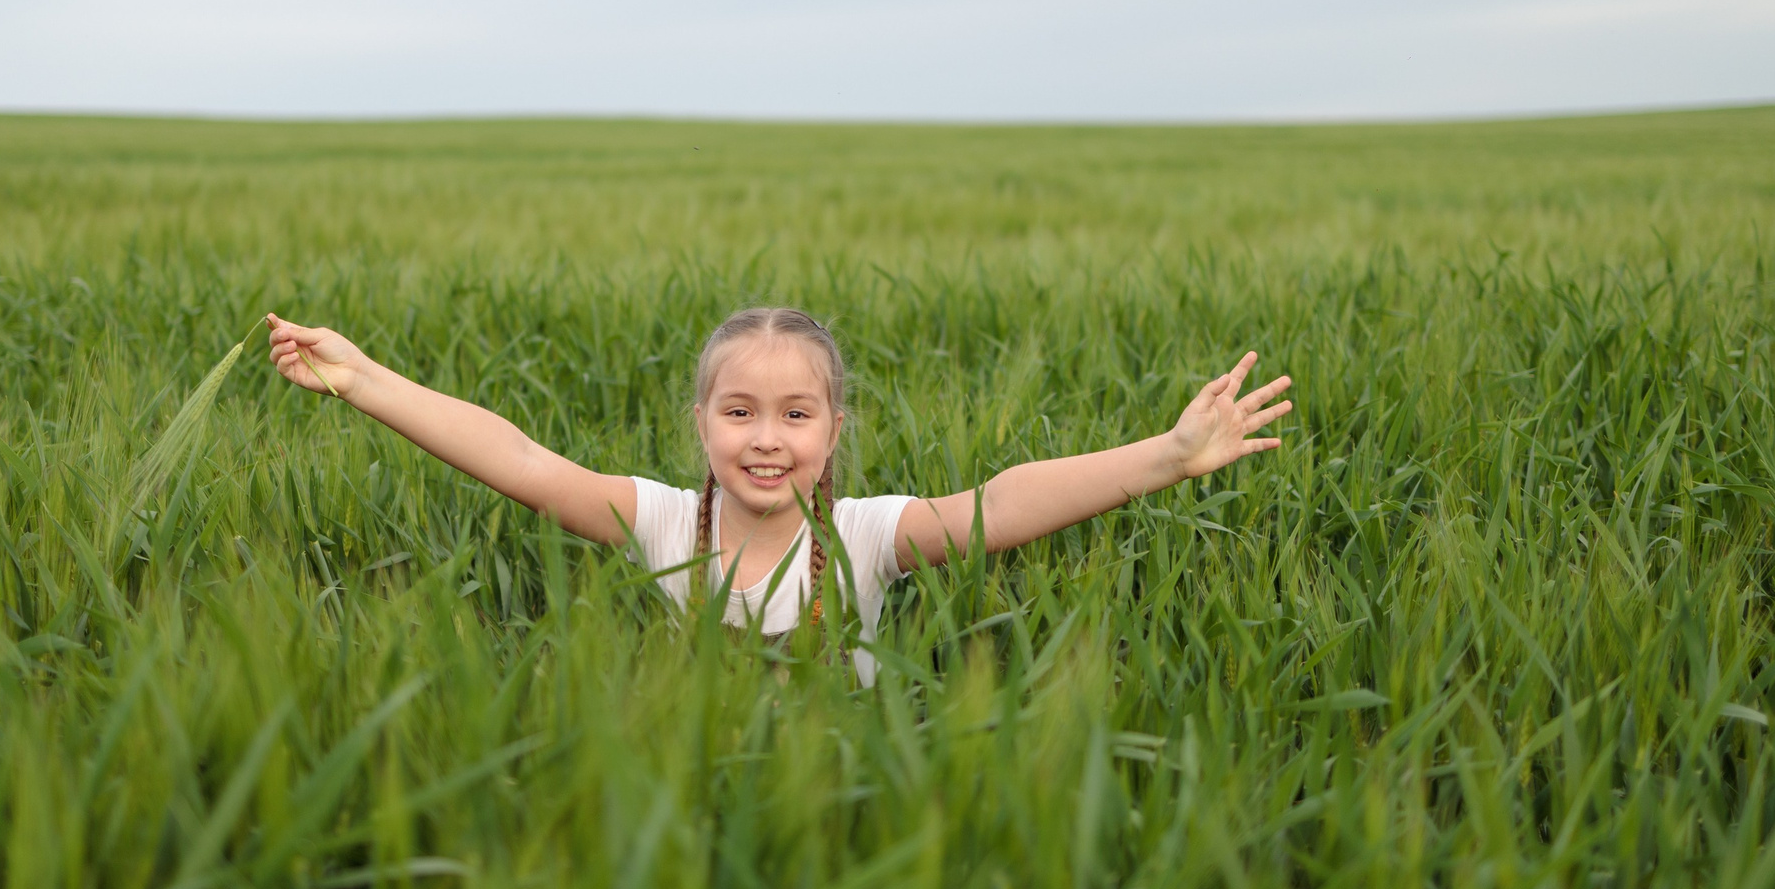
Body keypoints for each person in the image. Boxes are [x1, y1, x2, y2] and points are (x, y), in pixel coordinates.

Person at [265, 305, 1291, 684]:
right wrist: (364, 382)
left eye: (796, 415)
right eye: (739, 413)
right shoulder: (661, 521)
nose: (766, 439)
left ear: (834, 432)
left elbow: (1001, 503)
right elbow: (522, 461)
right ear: (701, 424)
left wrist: (1166, 453)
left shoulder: (866, 535)